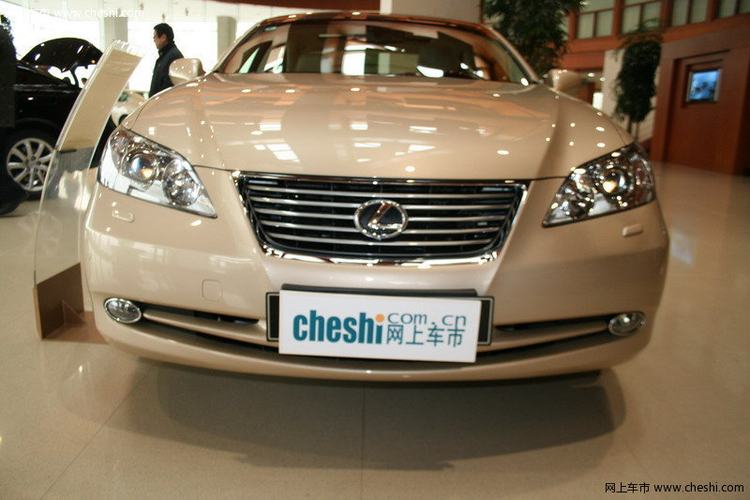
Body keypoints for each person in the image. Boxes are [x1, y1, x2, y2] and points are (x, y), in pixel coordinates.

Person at [149, 23, 183, 97]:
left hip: (164, 101)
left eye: (155, 36)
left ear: (163, 37)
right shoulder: (165, 56)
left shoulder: (174, 57)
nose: (154, 40)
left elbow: (169, 85)